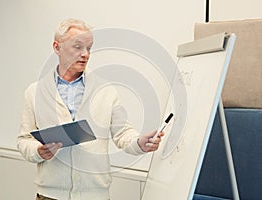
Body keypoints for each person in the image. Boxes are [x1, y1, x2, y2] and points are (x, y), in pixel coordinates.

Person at [17, 18, 164, 200]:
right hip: (49, 195)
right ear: (57, 47)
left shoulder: (105, 90)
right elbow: (24, 140)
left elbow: (123, 133)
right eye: (77, 47)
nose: (85, 54)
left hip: (95, 196)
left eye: (89, 48)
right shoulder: (34, 92)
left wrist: (139, 143)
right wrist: (38, 150)